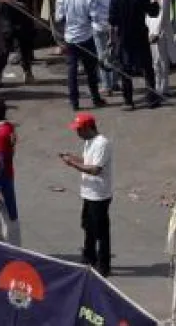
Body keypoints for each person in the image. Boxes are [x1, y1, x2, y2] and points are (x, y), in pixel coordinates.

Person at [60, 112, 113, 276]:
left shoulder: (102, 143)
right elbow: (87, 161)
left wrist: (72, 164)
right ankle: (89, 257)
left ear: (88, 128)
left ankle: (104, 265)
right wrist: (72, 158)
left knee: (101, 231)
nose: (77, 133)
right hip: (88, 193)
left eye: (79, 129)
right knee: (88, 227)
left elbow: (95, 169)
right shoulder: (89, 142)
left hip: (99, 194)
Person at [108, 0, 161, 109]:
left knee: (125, 70)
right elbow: (153, 13)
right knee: (147, 69)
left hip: (124, 37)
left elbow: (112, 21)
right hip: (140, 36)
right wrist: (156, 1)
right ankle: (152, 99)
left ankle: (128, 101)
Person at [55, 0, 107, 111]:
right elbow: (94, 17)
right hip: (86, 38)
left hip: (70, 38)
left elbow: (58, 18)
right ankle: (95, 98)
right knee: (91, 70)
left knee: (72, 72)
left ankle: (74, 102)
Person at [142, 0, 176, 101]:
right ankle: (162, 87)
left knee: (160, 61)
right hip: (152, 26)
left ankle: (161, 89)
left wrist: (155, 32)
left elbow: (160, 11)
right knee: (157, 60)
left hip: (158, 29)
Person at [0, 98, 21, 245]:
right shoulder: (8, 127)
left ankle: (13, 247)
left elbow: (0, 163)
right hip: (7, 175)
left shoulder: (0, 134)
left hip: (2, 180)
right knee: (9, 214)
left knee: (6, 216)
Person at [87, 0, 124, 93]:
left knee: (101, 54)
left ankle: (106, 85)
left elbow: (91, 4)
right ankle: (114, 82)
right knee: (114, 53)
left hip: (98, 23)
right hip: (115, 22)